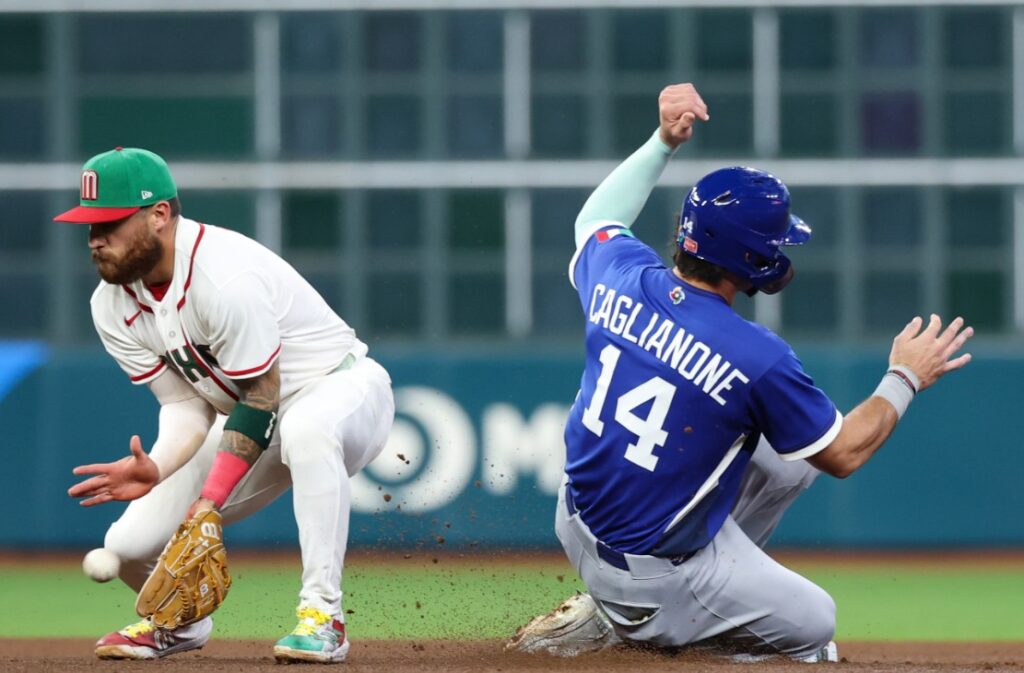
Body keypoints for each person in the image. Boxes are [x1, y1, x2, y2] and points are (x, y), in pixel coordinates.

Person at [506, 83, 973, 661]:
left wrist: (662, 142)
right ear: (748, 258)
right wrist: (903, 376)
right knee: (814, 628)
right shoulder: (755, 354)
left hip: (575, 521)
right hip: (652, 581)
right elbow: (845, 453)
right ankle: (659, 638)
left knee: (791, 461)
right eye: (774, 242)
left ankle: (621, 611)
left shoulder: (621, 275)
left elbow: (596, 217)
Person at [60, 147, 395, 663]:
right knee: (127, 547)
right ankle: (179, 622)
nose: (95, 238)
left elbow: (261, 396)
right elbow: (186, 406)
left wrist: (210, 500)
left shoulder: (223, 276)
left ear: (159, 214)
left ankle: (323, 615)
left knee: (307, 429)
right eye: (89, 225)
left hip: (339, 390)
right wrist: (159, 466)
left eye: (110, 223)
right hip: (250, 418)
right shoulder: (110, 305)